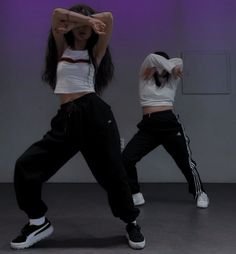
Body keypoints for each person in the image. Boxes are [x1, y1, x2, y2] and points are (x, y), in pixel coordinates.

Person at [10, 4, 145, 250]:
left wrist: (89, 21)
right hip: (67, 120)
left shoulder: (96, 53)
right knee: (26, 165)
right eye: (78, 25)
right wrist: (76, 21)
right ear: (70, 27)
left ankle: (132, 222)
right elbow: (55, 14)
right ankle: (38, 222)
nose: (84, 28)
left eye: (88, 25)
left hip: (95, 115)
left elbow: (110, 18)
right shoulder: (61, 47)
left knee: (114, 176)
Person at [122, 51, 209, 208]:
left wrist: (170, 69)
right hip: (149, 125)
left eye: (163, 64)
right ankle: (135, 194)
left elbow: (179, 61)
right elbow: (150, 57)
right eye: (158, 64)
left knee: (186, 162)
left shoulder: (172, 79)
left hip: (169, 123)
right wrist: (163, 66)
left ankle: (200, 193)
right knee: (126, 158)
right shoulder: (145, 76)